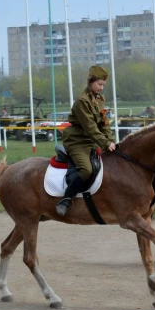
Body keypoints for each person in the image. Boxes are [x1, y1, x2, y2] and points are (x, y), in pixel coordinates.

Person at [56, 65, 116, 216]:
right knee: (86, 170)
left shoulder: (99, 99)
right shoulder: (82, 101)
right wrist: (105, 143)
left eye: (103, 85)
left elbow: (104, 124)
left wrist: (112, 141)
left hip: (92, 141)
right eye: (99, 84)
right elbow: (90, 127)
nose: (102, 88)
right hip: (77, 142)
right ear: (91, 82)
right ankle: (66, 198)